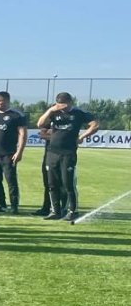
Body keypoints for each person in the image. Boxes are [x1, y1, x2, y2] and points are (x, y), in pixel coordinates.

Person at [36, 92, 99, 221]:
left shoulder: (79, 113)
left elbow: (95, 124)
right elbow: (40, 124)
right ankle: (55, 211)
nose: (62, 107)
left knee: (68, 183)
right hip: (52, 152)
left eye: (64, 104)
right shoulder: (54, 112)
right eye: (60, 104)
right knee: (51, 183)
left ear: (70, 102)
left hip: (68, 153)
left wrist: (82, 137)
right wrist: (50, 110)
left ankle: (73, 211)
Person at [0, 91, 27, 213]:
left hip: (9, 154)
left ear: (6, 101)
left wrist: (19, 152)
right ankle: (1, 204)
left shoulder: (16, 115)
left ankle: (14, 206)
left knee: (11, 180)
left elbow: (23, 134)